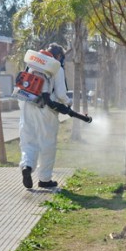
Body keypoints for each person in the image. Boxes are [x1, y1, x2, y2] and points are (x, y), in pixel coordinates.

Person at [19, 43, 72, 189]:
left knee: (28, 141)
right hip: (47, 109)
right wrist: (68, 102)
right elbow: (61, 94)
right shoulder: (56, 67)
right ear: (59, 56)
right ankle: (44, 179)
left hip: (28, 106)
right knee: (47, 144)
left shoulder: (33, 64)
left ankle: (27, 166)